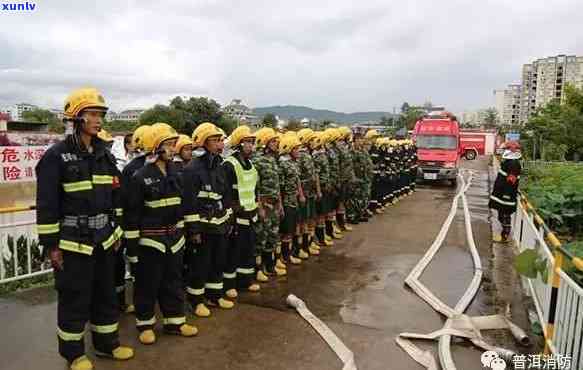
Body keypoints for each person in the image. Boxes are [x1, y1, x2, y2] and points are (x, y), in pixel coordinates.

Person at [36, 87, 133, 370]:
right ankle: (74, 354)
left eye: (101, 114)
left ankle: (107, 345)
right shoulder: (56, 157)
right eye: (92, 114)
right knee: (75, 299)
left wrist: (115, 232)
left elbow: (116, 197)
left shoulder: (104, 155)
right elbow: (47, 205)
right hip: (72, 243)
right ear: (76, 118)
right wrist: (52, 246)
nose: (98, 119)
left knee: (105, 294)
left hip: (103, 241)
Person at [125, 123, 198, 345]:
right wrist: (133, 250)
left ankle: (174, 322)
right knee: (148, 284)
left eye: (173, 144)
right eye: (168, 145)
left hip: (174, 239)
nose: (173, 149)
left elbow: (186, 205)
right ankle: (145, 324)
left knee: (173, 282)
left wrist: (190, 231)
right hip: (151, 241)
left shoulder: (177, 172)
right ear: (155, 147)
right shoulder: (140, 176)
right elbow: (131, 215)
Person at [183, 122, 235, 317]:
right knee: (200, 265)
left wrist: (228, 220)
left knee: (218, 262)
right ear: (203, 143)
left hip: (219, 225)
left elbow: (225, 195)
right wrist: (194, 230)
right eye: (215, 140)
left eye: (220, 140)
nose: (220, 143)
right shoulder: (192, 169)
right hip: (203, 228)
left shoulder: (219, 166)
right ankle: (196, 301)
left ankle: (214, 296)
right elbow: (189, 203)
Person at [223, 125, 261, 296]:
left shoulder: (250, 164)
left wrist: (257, 205)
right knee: (233, 251)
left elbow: (253, 188)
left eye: (252, 142)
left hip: (251, 214)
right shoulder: (229, 165)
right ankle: (230, 284)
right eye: (248, 142)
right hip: (236, 217)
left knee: (248, 250)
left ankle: (245, 281)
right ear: (239, 144)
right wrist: (233, 213)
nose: (251, 146)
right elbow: (227, 194)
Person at [252, 128, 289, 277]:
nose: (276, 143)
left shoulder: (273, 160)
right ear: (265, 143)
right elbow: (256, 187)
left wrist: (280, 204)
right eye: (273, 141)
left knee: (272, 236)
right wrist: (259, 206)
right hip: (264, 204)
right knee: (260, 237)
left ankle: (270, 265)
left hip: (274, 204)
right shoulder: (257, 161)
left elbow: (277, 184)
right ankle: (258, 269)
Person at [278, 133, 306, 263]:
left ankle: (291, 252)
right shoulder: (283, 164)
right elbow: (280, 186)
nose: (298, 151)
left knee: (293, 228)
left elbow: (297, 180)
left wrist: (300, 194)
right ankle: (285, 256)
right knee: (286, 230)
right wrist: (281, 205)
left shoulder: (294, 163)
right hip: (287, 201)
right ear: (289, 149)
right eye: (295, 149)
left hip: (294, 200)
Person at [489, 141, 522, 242]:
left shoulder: (513, 164)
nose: (504, 151)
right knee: (501, 215)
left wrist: (506, 195)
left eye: (506, 149)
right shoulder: (509, 162)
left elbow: (511, 181)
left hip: (505, 196)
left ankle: (505, 236)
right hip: (501, 194)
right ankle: (504, 235)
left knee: (505, 216)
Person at [297, 128, 320, 257]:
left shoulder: (310, 155)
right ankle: (302, 247)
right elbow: (298, 177)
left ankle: (309, 243)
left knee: (310, 218)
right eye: (311, 140)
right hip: (304, 193)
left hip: (310, 192)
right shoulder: (301, 155)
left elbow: (314, 174)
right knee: (303, 221)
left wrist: (317, 190)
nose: (314, 142)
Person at [311, 131, 334, 247]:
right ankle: (319, 238)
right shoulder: (317, 156)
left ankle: (323, 235)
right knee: (319, 214)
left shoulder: (323, 154)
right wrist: (319, 190)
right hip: (321, 188)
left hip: (326, 186)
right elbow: (316, 175)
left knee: (324, 213)